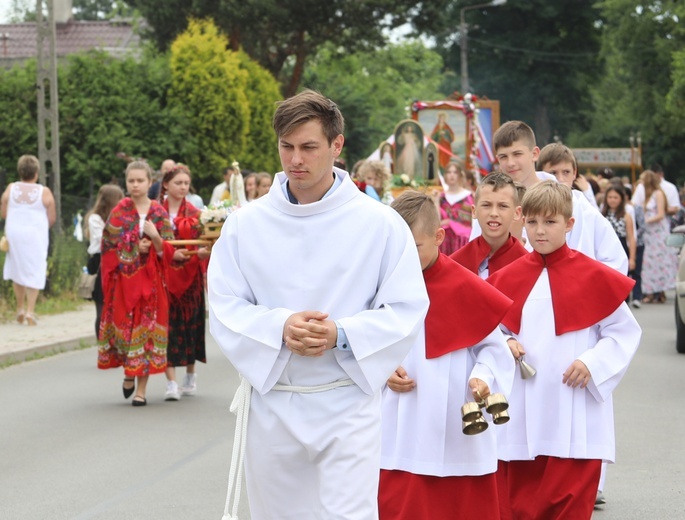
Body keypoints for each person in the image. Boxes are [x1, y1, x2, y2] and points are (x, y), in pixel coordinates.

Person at [207, 89, 429, 519]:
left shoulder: (379, 224)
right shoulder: (244, 226)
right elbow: (225, 305)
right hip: (274, 402)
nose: (295, 160)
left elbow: (405, 309)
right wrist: (280, 327)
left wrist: (340, 335)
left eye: (309, 147)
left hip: (347, 403)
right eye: (286, 147)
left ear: (337, 145)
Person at [488, 181, 641, 519]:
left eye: (550, 222)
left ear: (569, 224)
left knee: (569, 503)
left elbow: (623, 332)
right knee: (518, 505)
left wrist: (592, 362)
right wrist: (505, 341)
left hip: (574, 410)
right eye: (532, 222)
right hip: (521, 412)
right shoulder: (504, 279)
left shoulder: (593, 276)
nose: (540, 231)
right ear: (522, 221)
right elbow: (487, 332)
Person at [379, 191, 514, 519]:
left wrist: (481, 376)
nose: (404, 259)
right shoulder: (380, 284)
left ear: (439, 237)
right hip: (401, 421)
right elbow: (362, 341)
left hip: (454, 423)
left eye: (414, 248)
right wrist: (381, 368)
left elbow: (494, 351)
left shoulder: (465, 286)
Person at [474, 120, 628, 273]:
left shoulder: (574, 202)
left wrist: (583, 286)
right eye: (503, 157)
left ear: (534, 154)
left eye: (517, 154)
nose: (511, 163)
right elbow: (478, 260)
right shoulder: (490, 205)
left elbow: (613, 259)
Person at [97, 161, 174, 407]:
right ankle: (129, 373)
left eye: (140, 180)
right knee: (127, 331)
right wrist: (131, 247)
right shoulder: (120, 211)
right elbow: (107, 245)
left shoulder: (159, 213)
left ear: (149, 181)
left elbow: (169, 251)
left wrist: (153, 238)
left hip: (152, 286)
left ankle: (141, 389)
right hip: (125, 284)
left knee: (148, 333)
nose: (135, 185)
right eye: (131, 181)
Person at [158, 164, 211, 401]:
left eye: (186, 183)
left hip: (190, 277)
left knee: (191, 326)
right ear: (166, 184)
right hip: (164, 276)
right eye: (178, 183)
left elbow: (205, 242)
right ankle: (170, 382)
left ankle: (190, 372)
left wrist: (201, 253)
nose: (183, 187)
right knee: (166, 329)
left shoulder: (195, 213)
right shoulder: (156, 212)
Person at [1, 154, 56, 325]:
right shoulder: (44, 191)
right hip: (35, 234)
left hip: (14, 233)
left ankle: (19, 309)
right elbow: (52, 217)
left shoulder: (11, 188)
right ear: (36, 173)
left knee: (17, 267)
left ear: (20, 171)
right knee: (35, 268)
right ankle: (30, 311)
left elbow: (3, 211)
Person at [451, 172, 526, 278]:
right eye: (486, 205)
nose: (494, 213)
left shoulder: (527, 263)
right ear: (474, 211)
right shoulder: (456, 264)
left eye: (503, 206)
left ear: (516, 213)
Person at [85, 184, 125, 337]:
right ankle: (101, 343)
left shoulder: (122, 216)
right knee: (101, 307)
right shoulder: (95, 218)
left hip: (118, 260)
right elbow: (102, 239)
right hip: (100, 261)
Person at [638, 170, 672, 303]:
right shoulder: (647, 196)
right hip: (649, 233)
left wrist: (645, 220)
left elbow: (661, 214)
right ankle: (650, 291)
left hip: (658, 233)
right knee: (649, 263)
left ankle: (660, 290)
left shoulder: (658, 194)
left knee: (659, 262)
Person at [538, 142, 598, 208]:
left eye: (566, 172)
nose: (560, 179)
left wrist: (588, 193)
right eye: (553, 173)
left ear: (574, 173)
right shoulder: (531, 206)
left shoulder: (582, 207)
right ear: (541, 174)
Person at [436, 161, 474, 254]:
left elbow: (473, 220)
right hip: (444, 241)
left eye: (455, 172)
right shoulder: (441, 197)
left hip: (463, 241)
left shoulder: (469, 196)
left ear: (460, 175)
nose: (452, 175)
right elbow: (436, 221)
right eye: (449, 172)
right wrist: (436, 201)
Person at [601, 185, 637, 277]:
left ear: (621, 199)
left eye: (615, 197)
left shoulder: (626, 216)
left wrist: (632, 259)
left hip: (621, 247)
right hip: (605, 248)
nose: (612, 200)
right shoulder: (601, 215)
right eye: (610, 197)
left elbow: (631, 238)